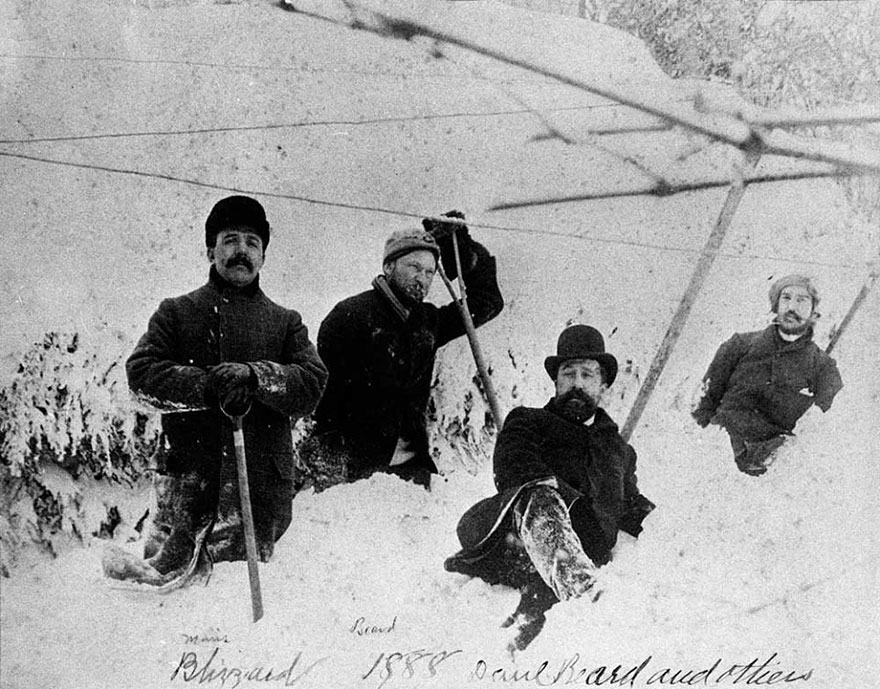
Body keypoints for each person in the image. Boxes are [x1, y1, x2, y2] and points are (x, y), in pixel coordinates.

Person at [104, 195, 328, 586]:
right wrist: (208, 385)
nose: (242, 251)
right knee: (163, 598)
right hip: (189, 492)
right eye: (230, 240)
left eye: (252, 243)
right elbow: (141, 376)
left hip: (260, 497)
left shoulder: (285, 322)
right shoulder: (176, 312)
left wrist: (256, 377)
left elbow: (311, 383)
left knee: (244, 603)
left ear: (263, 256)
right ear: (211, 250)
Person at [444, 325, 655, 651]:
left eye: (588, 375)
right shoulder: (528, 420)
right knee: (540, 491)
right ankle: (587, 595)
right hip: (515, 540)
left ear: (604, 385)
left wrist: (669, 527)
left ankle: (559, 592)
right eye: (568, 374)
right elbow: (514, 465)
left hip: (580, 549)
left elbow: (631, 506)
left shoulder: (619, 452)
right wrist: (563, 494)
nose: (577, 383)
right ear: (556, 382)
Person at [301, 211, 503, 490]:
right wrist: (332, 464)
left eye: (429, 272)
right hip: (352, 467)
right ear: (389, 267)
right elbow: (324, 399)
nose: (422, 278)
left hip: (411, 469)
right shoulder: (350, 316)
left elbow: (487, 302)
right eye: (413, 267)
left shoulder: (428, 322)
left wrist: (462, 246)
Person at [692, 274, 843, 476]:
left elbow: (818, 430)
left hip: (775, 470)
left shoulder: (823, 367)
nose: (792, 307)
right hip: (717, 456)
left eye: (802, 300)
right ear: (776, 304)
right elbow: (704, 402)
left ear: (814, 310)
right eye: (786, 298)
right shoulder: (739, 345)